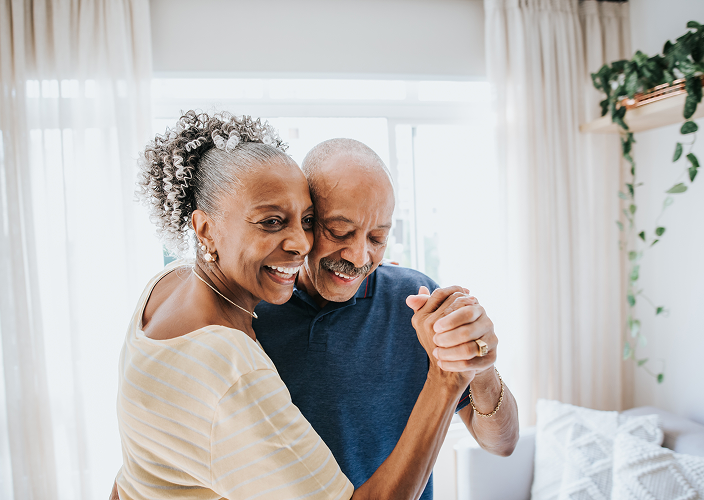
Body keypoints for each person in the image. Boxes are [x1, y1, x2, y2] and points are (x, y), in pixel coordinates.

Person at [114, 111, 478, 500]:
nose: (301, 244)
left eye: (306, 221)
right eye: (271, 221)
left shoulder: (164, 288)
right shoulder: (233, 366)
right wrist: (446, 380)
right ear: (205, 228)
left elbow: (133, 476)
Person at [254, 138, 520, 499]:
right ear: (305, 219)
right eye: (340, 232)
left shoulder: (416, 299)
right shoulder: (252, 311)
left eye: (377, 237)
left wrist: (481, 368)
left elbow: (502, 445)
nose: (359, 255)